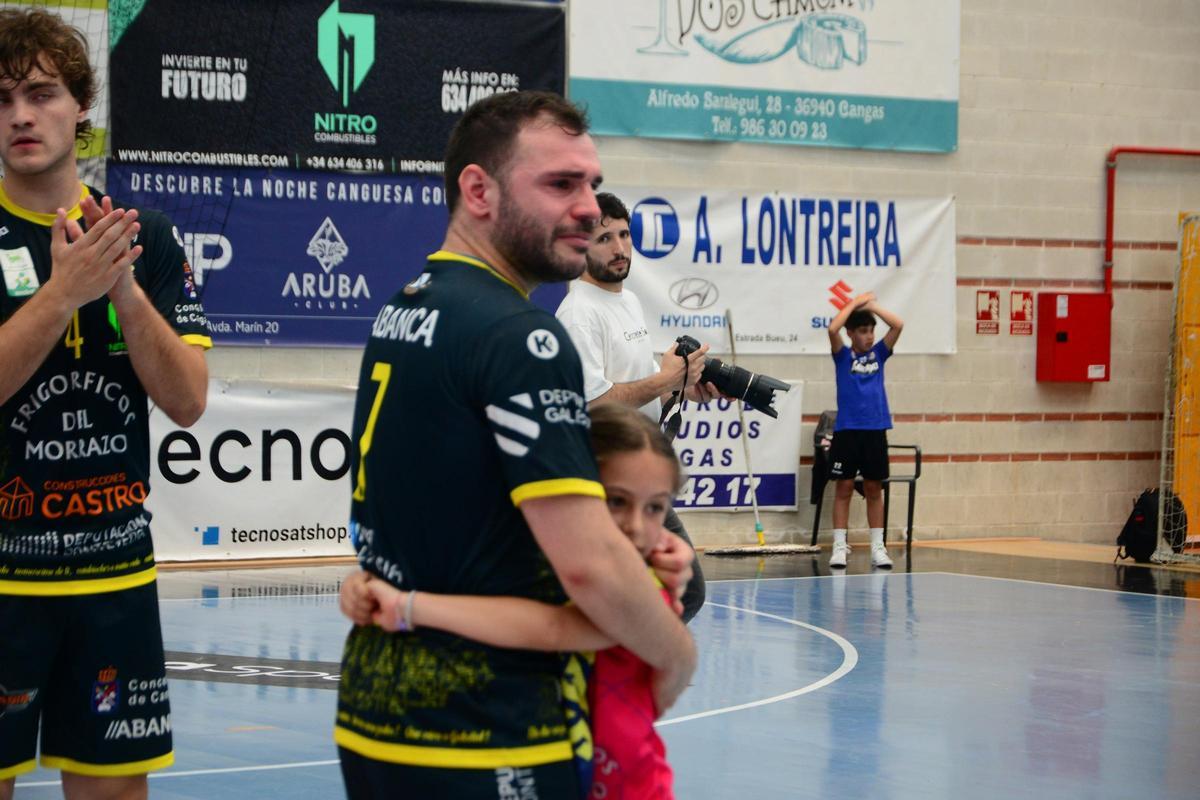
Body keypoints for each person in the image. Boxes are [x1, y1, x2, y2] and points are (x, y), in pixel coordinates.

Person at [335, 91, 697, 799]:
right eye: (561, 184)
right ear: (479, 191)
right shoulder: (520, 336)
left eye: (591, 183)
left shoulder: (409, 304)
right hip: (489, 728)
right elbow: (589, 569)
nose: (590, 208)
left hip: (374, 708)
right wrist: (675, 652)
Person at [0, 8, 211, 799]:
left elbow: (188, 402)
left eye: (42, 92)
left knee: (115, 792)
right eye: (3, 97)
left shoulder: (145, 236)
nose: (21, 114)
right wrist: (61, 295)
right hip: (4, 580)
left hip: (113, 578)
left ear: (79, 107)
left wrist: (120, 286)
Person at [342, 402, 685, 798]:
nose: (635, 526)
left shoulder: (640, 590)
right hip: (551, 773)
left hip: (632, 787)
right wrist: (363, 587)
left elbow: (552, 629)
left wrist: (406, 607)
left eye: (655, 507)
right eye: (616, 501)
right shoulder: (542, 563)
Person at [555, 191, 712, 622]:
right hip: (603, 487)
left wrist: (686, 386)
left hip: (636, 479)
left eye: (624, 234)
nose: (620, 248)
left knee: (683, 590)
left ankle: (616, 675)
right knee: (658, 593)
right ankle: (608, 676)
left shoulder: (627, 301)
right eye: (604, 238)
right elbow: (595, 403)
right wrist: (667, 378)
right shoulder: (577, 314)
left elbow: (640, 385)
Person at [826, 291, 902, 569]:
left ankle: (878, 548)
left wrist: (871, 306)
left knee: (873, 488)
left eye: (871, 331)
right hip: (847, 431)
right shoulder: (842, 356)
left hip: (875, 430)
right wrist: (855, 303)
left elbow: (898, 325)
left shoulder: (879, 354)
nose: (868, 336)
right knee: (844, 487)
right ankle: (838, 547)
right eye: (862, 331)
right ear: (851, 333)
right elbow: (832, 328)